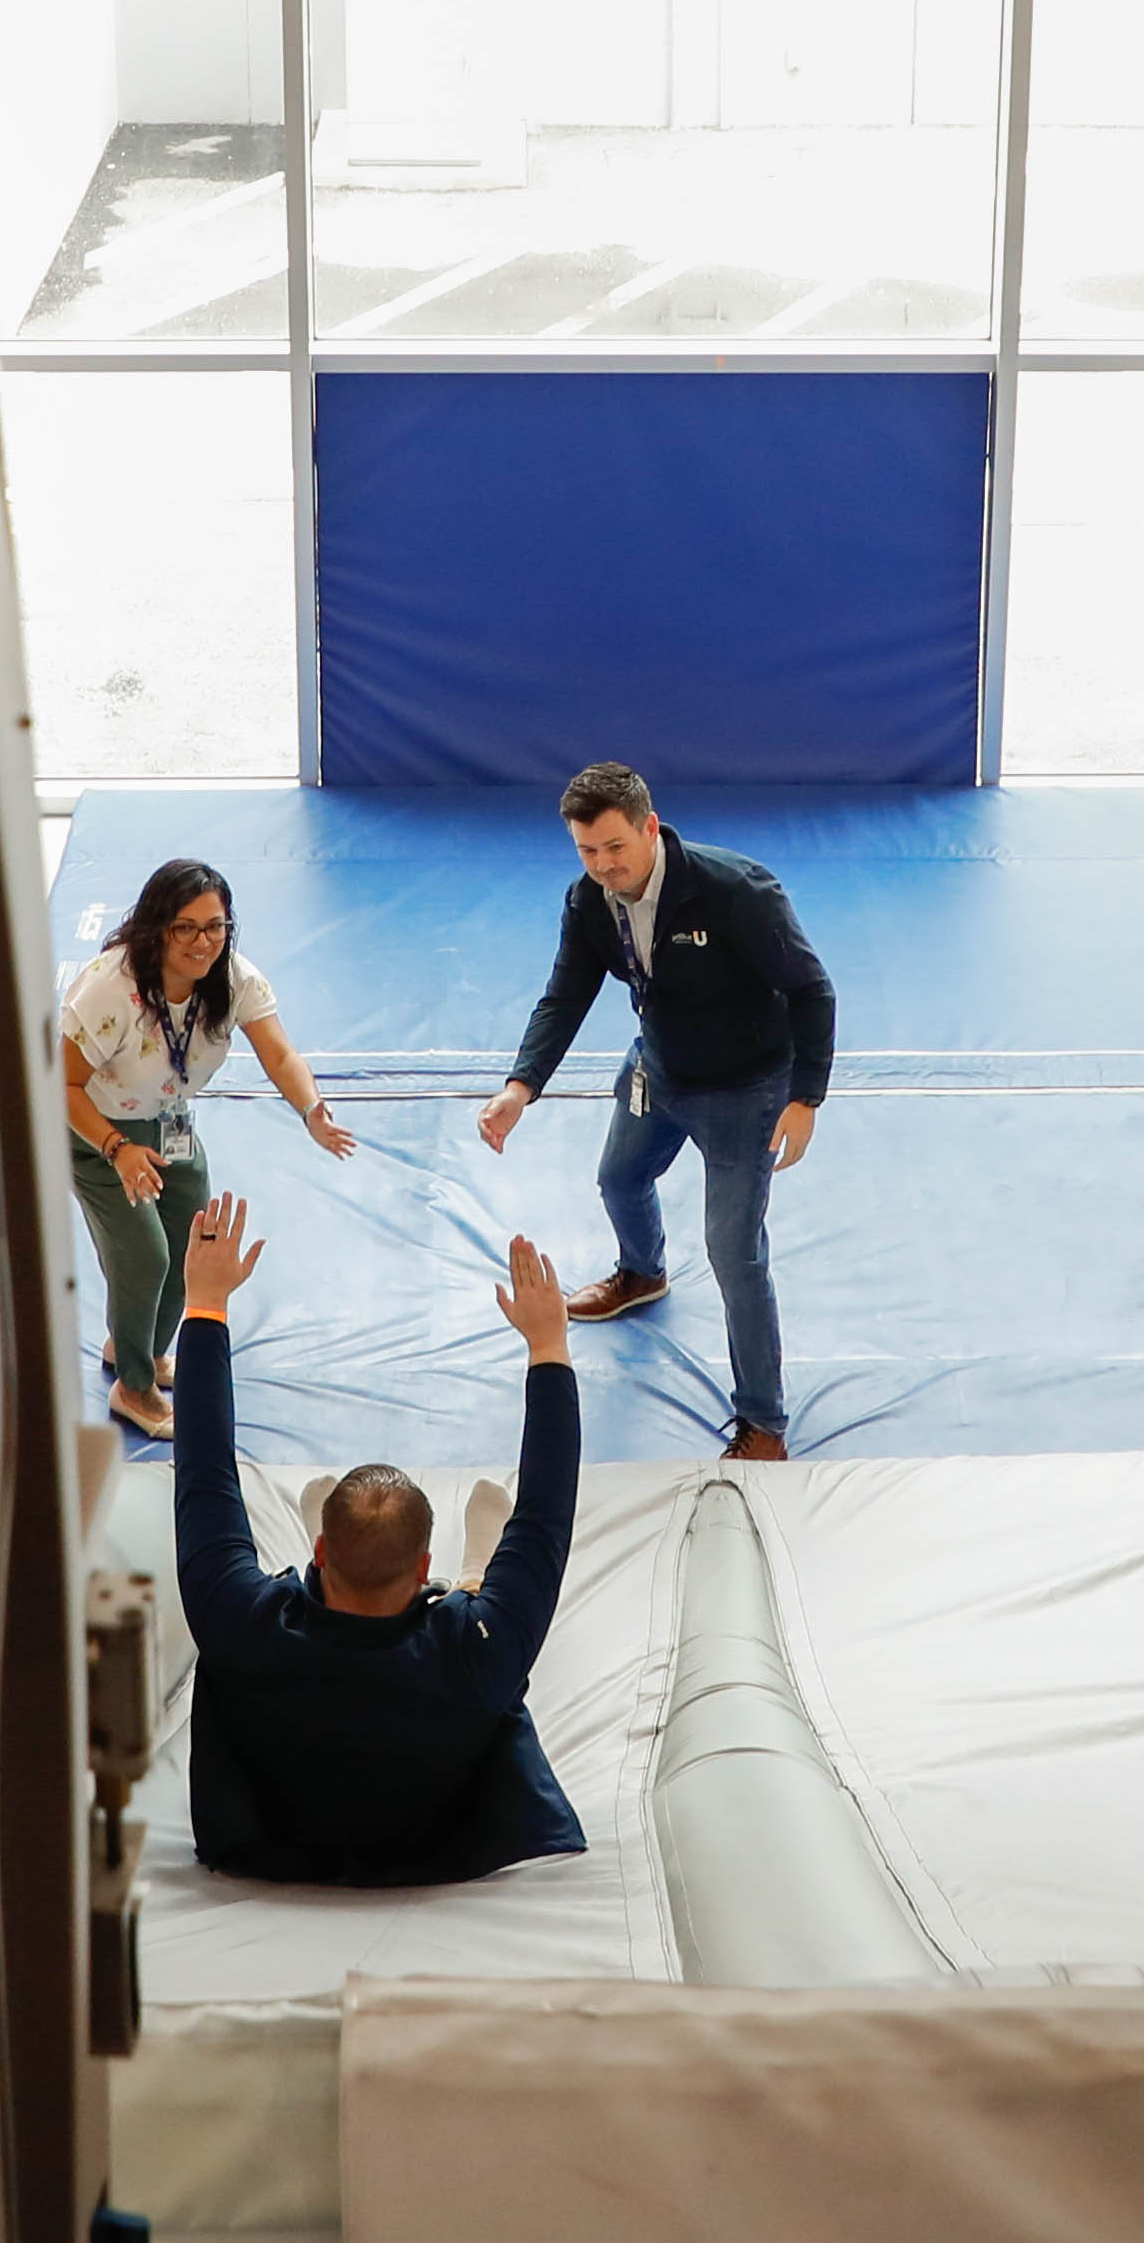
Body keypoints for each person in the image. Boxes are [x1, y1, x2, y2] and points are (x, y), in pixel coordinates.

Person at [170, 1193, 585, 1886]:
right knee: (486, 1603)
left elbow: (203, 1470)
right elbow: (544, 1518)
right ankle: (475, 1573)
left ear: (319, 1554)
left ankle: (375, 1556)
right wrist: (549, 1347)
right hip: (440, 1847)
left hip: (271, 1841)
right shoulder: (475, 1651)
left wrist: (205, 1304)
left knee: (463, 1618)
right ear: (424, 1569)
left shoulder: (240, 1622)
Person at [478, 762, 834, 1461]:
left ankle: (764, 1421)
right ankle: (643, 1273)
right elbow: (565, 995)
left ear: (650, 828)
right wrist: (521, 1086)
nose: (603, 865)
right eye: (587, 851)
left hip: (746, 1090)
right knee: (618, 1178)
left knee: (734, 1253)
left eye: (615, 847)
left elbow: (812, 990)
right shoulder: (590, 900)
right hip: (661, 1068)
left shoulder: (736, 891)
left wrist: (805, 1098)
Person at [64, 860, 355, 1438]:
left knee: (194, 1244)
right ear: (156, 928)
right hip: (97, 1133)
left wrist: (311, 1109)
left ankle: (136, 1348)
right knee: (144, 1256)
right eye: (186, 928)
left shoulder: (233, 978)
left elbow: (279, 1053)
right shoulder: (109, 990)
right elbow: (60, 1084)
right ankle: (133, 1386)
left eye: (216, 926)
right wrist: (117, 1149)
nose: (204, 942)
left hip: (169, 1124)